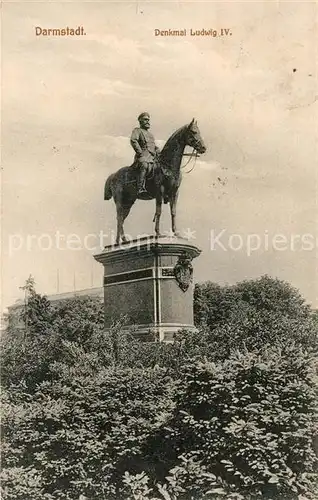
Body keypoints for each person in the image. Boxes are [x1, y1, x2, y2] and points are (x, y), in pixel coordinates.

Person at [130, 112, 160, 195]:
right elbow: (133, 140)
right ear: (140, 121)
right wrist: (140, 152)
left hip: (153, 157)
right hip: (143, 156)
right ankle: (140, 188)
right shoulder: (137, 131)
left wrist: (158, 150)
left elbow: (153, 146)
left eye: (148, 120)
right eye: (145, 120)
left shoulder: (150, 135)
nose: (147, 121)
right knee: (144, 165)